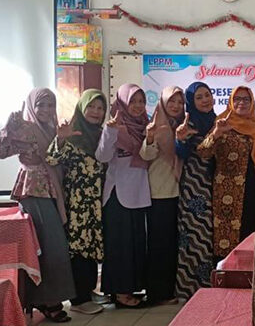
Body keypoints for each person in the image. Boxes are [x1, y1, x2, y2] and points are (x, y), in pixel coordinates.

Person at [0, 88, 74, 322]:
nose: (46, 110)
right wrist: (8, 129)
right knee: (50, 247)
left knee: (48, 247)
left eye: (50, 105)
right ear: (32, 106)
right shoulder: (25, 128)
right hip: (33, 191)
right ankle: (48, 301)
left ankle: (44, 299)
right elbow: (1, 151)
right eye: (41, 105)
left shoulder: (53, 129)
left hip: (53, 191)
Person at [46, 89, 107, 315]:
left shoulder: (100, 135)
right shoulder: (72, 134)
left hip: (96, 202)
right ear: (82, 107)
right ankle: (79, 299)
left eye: (100, 108)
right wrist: (61, 139)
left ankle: (88, 291)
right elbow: (52, 158)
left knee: (91, 247)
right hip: (77, 203)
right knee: (79, 248)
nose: (96, 112)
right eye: (91, 106)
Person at [197, 86, 255, 258]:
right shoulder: (221, 123)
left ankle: (250, 274)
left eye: (246, 99)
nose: (241, 103)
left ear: (252, 102)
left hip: (254, 190)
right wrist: (216, 134)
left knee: (251, 236)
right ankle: (226, 273)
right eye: (237, 99)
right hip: (228, 192)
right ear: (231, 101)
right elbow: (203, 153)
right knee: (227, 239)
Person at [95, 83, 151, 308]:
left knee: (135, 245)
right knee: (120, 246)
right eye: (133, 101)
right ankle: (119, 293)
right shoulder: (115, 126)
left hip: (139, 194)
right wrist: (110, 131)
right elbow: (102, 156)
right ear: (123, 103)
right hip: (118, 195)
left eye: (141, 101)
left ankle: (130, 289)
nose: (138, 106)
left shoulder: (146, 125)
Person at [139, 86, 184, 305]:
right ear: (163, 103)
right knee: (160, 245)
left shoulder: (182, 126)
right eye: (171, 101)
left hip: (179, 192)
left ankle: (170, 289)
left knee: (172, 243)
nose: (176, 106)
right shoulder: (156, 125)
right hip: (159, 192)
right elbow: (146, 155)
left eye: (180, 102)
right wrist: (149, 138)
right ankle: (158, 293)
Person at [175, 82, 217, 298]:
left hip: (216, 185)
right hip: (194, 186)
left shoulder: (218, 121)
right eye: (199, 97)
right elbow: (181, 153)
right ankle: (190, 289)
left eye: (207, 95)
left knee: (213, 237)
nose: (205, 100)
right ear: (191, 101)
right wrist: (180, 140)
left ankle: (212, 285)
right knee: (195, 237)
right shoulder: (188, 123)